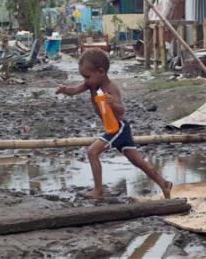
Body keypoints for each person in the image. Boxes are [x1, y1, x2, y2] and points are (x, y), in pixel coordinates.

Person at [56, 48, 173, 199]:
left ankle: (98, 191)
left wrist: (111, 102)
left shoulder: (110, 88)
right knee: (138, 162)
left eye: (87, 76)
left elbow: (121, 109)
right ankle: (164, 183)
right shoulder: (91, 84)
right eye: (83, 77)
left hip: (118, 128)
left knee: (92, 152)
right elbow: (74, 90)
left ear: (101, 71)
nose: (85, 80)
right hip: (116, 129)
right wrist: (64, 90)